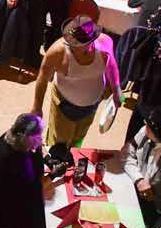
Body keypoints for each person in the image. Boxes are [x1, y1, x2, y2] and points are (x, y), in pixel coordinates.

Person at [31, 15, 120, 146]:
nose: (70, 44)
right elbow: (42, 78)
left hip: (91, 107)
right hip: (64, 107)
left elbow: (111, 66)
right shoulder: (57, 51)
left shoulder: (105, 43)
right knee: (58, 146)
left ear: (91, 42)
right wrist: (37, 107)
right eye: (69, 40)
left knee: (77, 143)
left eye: (76, 44)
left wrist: (117, 90)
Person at [0, 113, 52, 228]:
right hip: (2, 211)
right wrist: (51, 176)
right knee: (48, 217)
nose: (41, 140)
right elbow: (32, 190)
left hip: (7, 194)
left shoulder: (14, 140)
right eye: (37, 137)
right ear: (25, 137)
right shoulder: (13, 160)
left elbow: (35, 172)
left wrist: (46, 158)